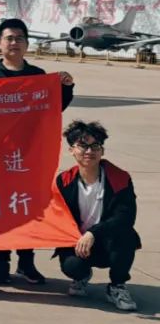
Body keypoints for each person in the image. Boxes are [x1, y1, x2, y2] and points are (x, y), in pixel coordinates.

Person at [0, 17, 74, 285]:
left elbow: (54, 107)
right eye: (9, 38)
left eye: (19, 38)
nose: (14, 43)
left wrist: (66, 87)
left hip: (29, 154)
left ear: (27, 44)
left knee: (28, 208)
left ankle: (26, 262)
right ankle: (1, 262)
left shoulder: (37, 76)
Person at [54, 121, 140, 312]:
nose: (89, 151)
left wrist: (93, 233)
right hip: (79, 243)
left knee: (126, 235)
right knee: (72, 266)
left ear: (102, 151)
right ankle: (82, 276)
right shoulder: (64, 180)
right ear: (71, 150)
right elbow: (58, 215)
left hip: (109, 241)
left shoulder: (119, 178)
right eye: (82, 146)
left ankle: (117, 285)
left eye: (95, 146)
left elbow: (125, 216)